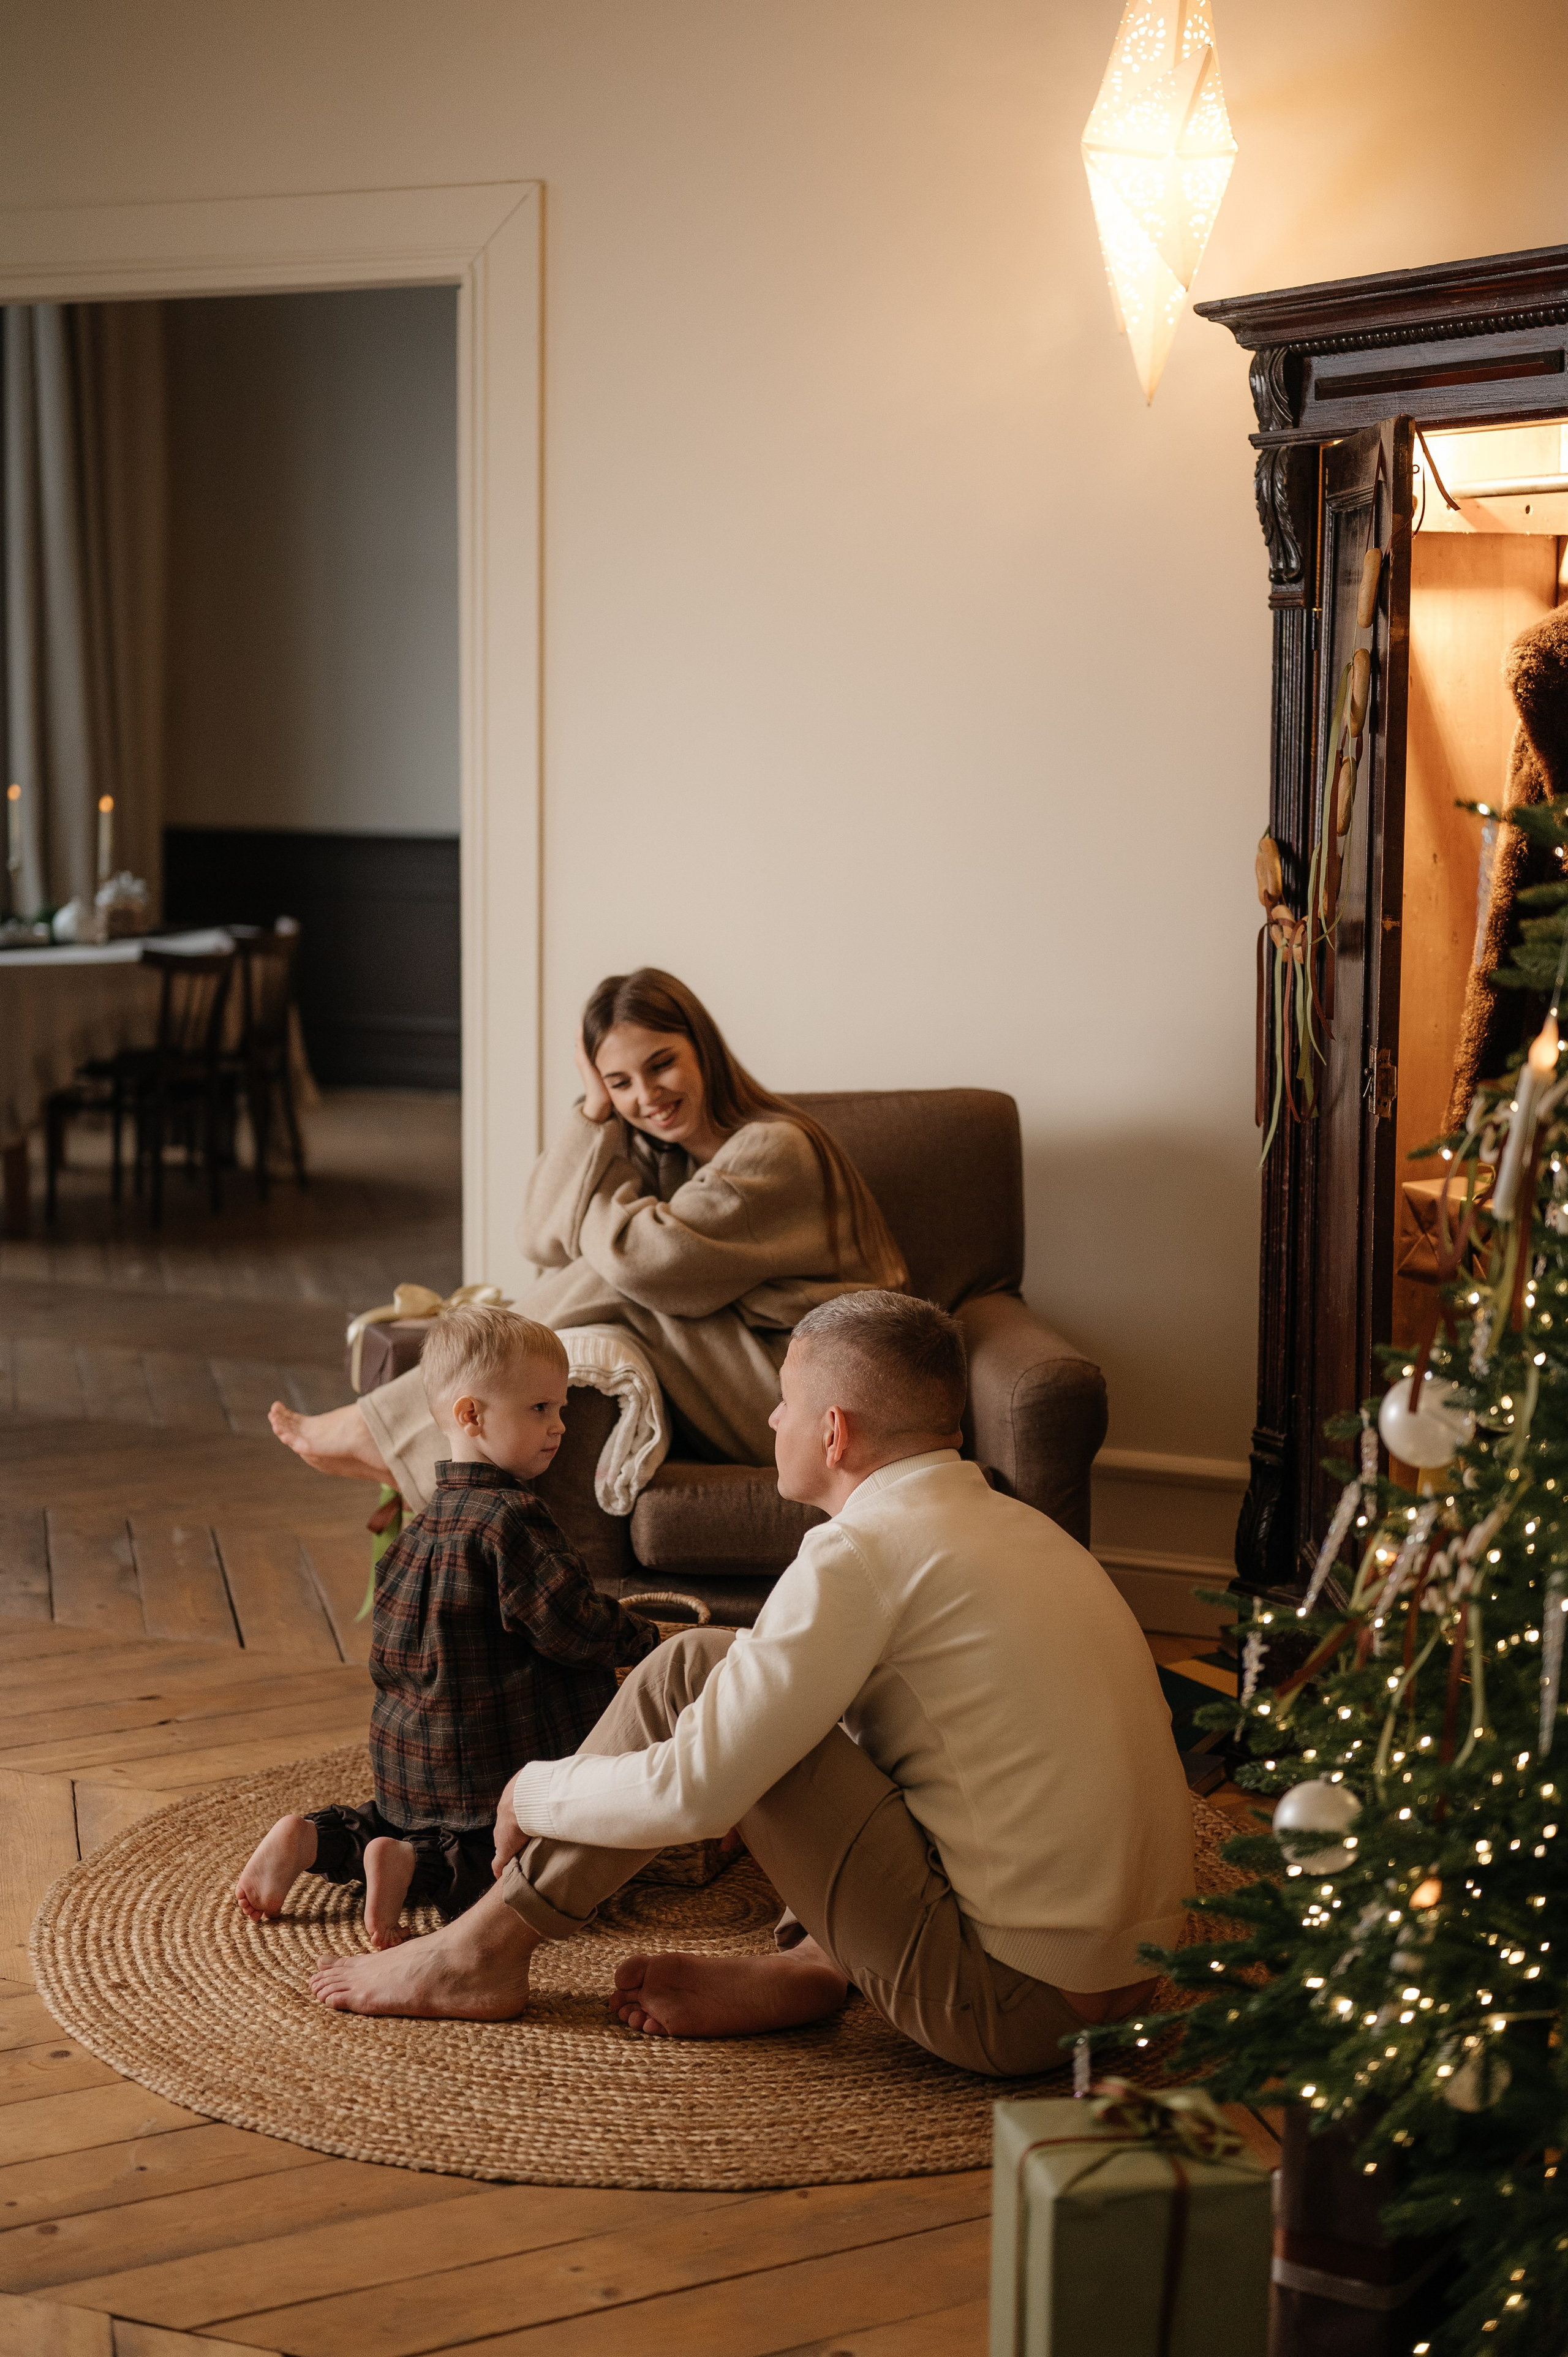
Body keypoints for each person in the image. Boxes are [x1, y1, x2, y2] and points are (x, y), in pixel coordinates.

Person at [309, 1292, 1196, 2077]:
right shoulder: (1021, 1530)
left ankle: (480, 1951)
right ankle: (813, 1962)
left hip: (1009, 2011)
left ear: (835, 1433)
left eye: (786, 1403)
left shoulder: (860, 1553)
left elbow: (695, 1793)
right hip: (1123, 1978)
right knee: (756, 1676)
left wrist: (532, 1789)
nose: (774, 1419)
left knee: (700, 1676)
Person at [267, 967, 908, 1506]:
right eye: (619, 1081)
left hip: (808, 1395)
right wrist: (593, 1112)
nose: (647, 1095)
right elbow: (540, 1238)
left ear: (702, 1051)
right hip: (748, 1374)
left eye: (662, 1064)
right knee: (604, 1276)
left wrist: (607, 1199)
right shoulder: (665, 1154)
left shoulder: (775, 1148)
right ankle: (413, 1435)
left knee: (619, 1278)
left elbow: (645, 1261)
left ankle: (387, 1425)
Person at [236, 1306, 658, 1948]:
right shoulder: (514, 1519)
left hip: (407, 1766)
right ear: (470, 1415)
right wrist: (640, 1638)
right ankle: (412, 1868)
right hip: (495, 1762)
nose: (561, 1426)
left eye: (561, 1408)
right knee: (512, 1865)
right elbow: (571, 1625)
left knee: (391, 1824)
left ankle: (315, 1837)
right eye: (540, 1408)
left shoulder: (417, 1531)